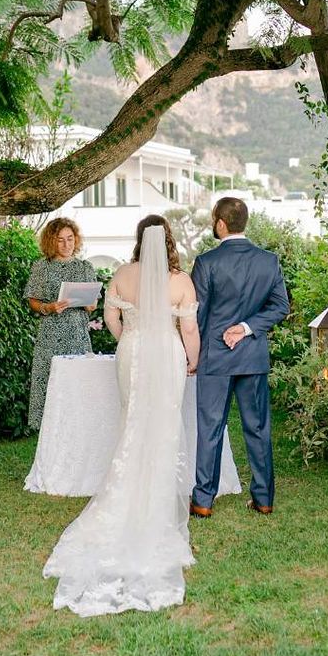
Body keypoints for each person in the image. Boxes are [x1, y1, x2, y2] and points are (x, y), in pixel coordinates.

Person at [43, 214, 200, 616]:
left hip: (132, 354)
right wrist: (192, 362)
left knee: (133, 421)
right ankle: (156, 504)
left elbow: (111, 318)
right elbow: (189, 331)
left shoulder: (122, 274)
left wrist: (129, 339)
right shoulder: (180, 281)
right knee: (163, 424)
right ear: (168, 241)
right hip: (166, 354)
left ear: (137, 238)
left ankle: (126, 499)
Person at [190, 196, 290, 517]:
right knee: (258, 428)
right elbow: (280, 307)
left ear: (220, 223)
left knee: (210, 429)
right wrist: (247, 327)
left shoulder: (206, 263)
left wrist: (191, 355)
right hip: (252, 358)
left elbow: (197, 317)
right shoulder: (269, 261)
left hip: (215, 359)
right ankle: (264, 499)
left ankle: (203, 501)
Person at [24, 217, 97, 431]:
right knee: (51, 382)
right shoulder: (41, 267)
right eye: (61, 240)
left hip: (78, 335)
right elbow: (32, 300)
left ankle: (78, 433)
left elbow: (92, 306)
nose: (67, 245)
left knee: (78, 385)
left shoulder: (85, 267)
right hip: (51, 336)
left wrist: (87, 304)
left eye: (70, 239)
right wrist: (49, 308)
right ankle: (51, 433)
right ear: (51, 242)